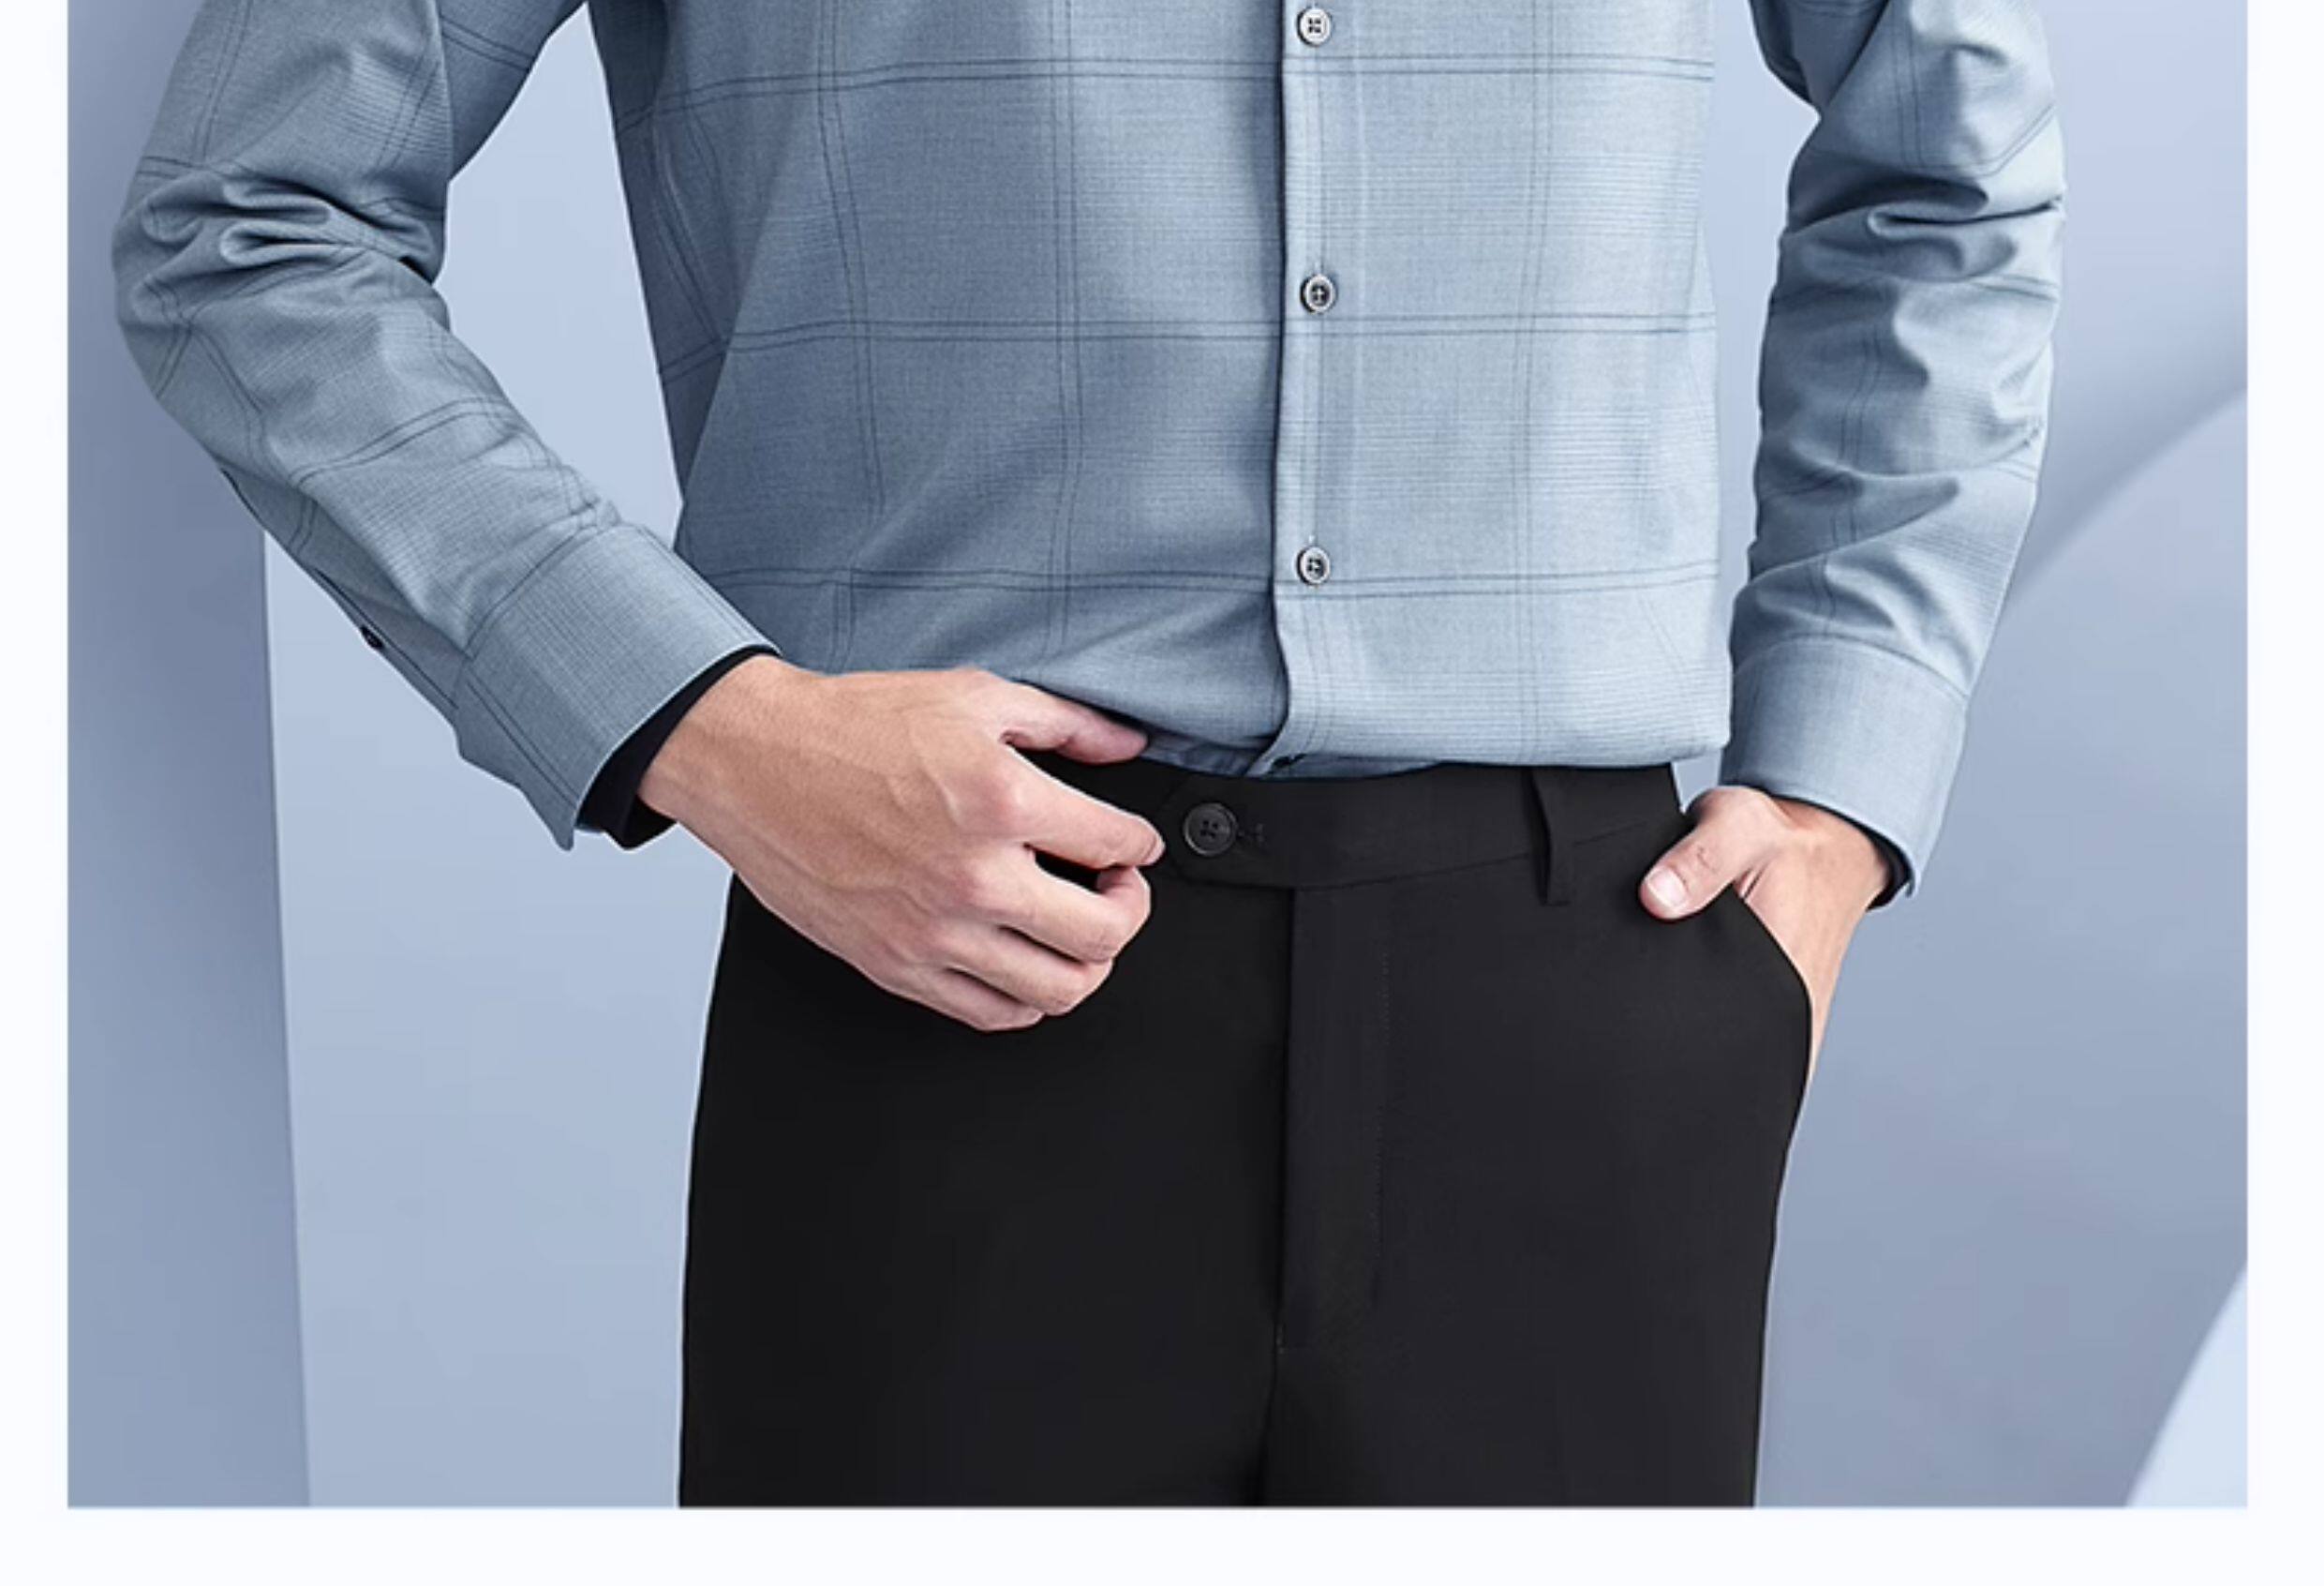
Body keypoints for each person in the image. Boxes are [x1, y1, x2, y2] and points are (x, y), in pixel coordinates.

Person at [114, 1, 2063, 1505]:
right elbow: (252, 220)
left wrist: (1840, 786)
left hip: (1581, 1010)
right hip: (944, 990)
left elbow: (1947, 163)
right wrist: (699, 718)